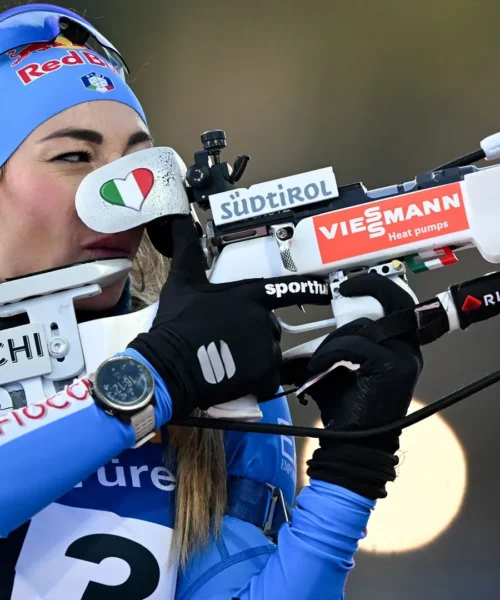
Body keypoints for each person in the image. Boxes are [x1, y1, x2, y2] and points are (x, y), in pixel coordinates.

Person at [0, 5, 423, 599]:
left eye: (137, 161)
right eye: (74, 157)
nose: (126, 196)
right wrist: (151, 381)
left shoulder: (206, 368)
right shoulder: (178, 366)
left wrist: (350, 474)